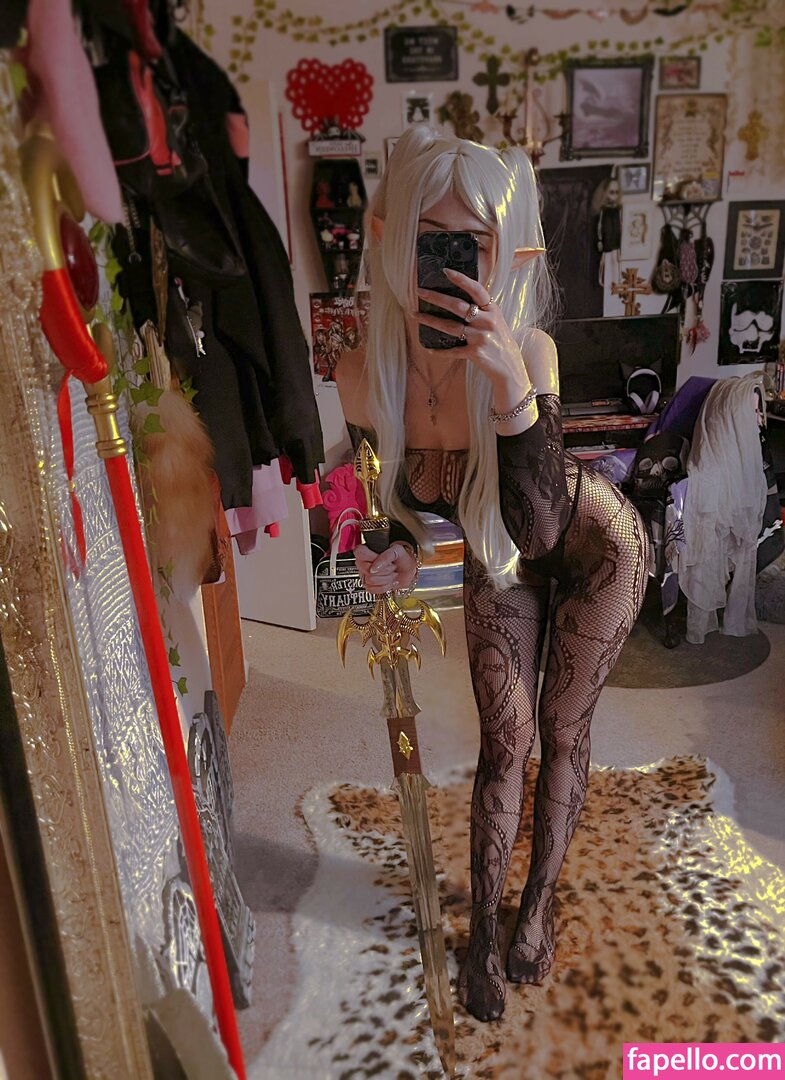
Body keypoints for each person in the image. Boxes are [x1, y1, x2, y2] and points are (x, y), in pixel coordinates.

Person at [336, 126, 648, 1023]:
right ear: (389, 236)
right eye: (427, 239)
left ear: (505, 252)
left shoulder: (528, 350)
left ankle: (535, 911)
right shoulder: (364, 375)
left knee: (560, 731)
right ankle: (480, 937)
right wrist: (397, 548)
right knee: (503, 739)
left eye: (469, 245)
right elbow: (400, 502)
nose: (446, 265)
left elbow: (543, 524)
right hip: (494, 546)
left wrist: (511, 389)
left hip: (592, 553)